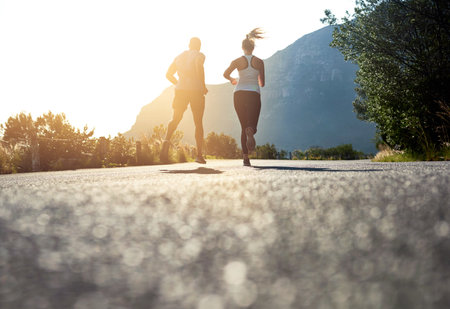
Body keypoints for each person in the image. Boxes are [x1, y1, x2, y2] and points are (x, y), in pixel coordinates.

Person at [160, 37, 208, 164]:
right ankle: (199, 155)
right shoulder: (199, 55)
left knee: (175, 118)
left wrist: (178, 83)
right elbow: (199, 67)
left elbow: (168, 74)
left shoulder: (179, 57)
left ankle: (165, 143)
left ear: (189, 45)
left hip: (180, 90)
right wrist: (202, 85)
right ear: (199, 46)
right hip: (196, 91)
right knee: (198, 122)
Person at [223, 28, 265, 167]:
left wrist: (232, 79)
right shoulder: (259, 62)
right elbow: (262, 83)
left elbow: (225, 73)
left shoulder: (236, 61)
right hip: (253, 94)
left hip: (239, 93)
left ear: (242, 48)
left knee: (243, 126)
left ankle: (246, 158)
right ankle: (251, 131)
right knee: (252, 125)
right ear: (253, 48)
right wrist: (255, 77)